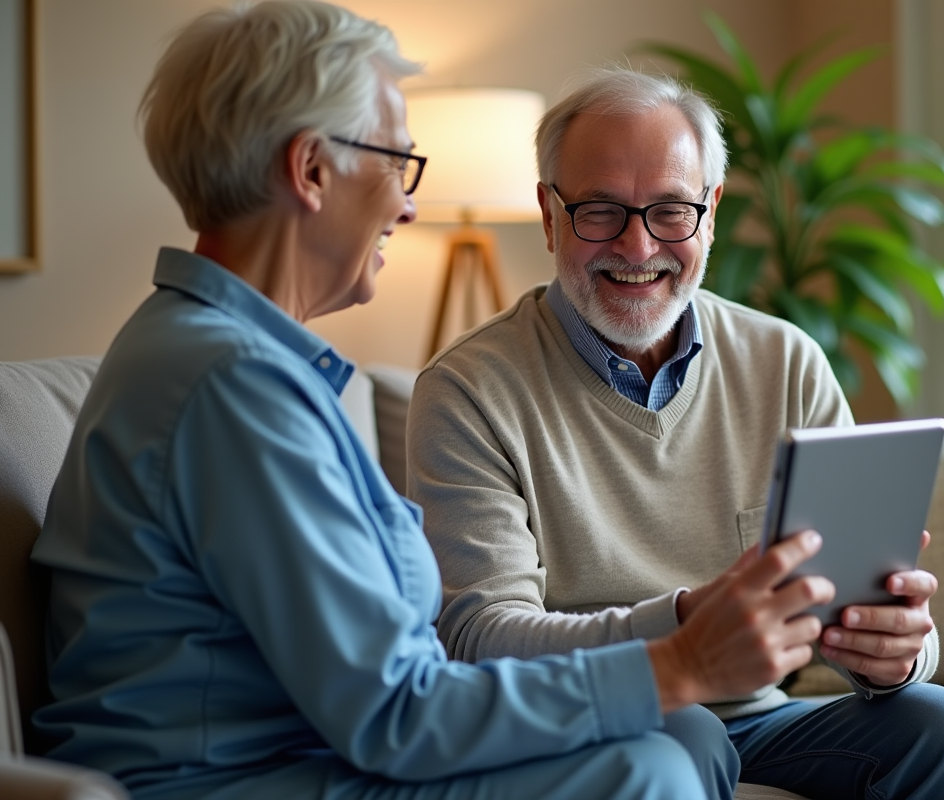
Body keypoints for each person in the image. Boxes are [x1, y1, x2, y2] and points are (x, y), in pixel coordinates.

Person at [29, 6, 853, 799]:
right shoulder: (232, 388)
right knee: (654, 766)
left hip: (295, 753)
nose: (409, 202)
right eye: (397, 161)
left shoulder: (223, 358)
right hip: (241, 778)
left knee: (667, 750)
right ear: (311, 169)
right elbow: (395, 710)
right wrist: (681, 665)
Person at [405, 67, 944, 799]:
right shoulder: (466, 390)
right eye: (600, 211)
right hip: (594, 723)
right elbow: (478, 640)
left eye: (670, 210)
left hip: (760, 719)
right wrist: (686, 632)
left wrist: (897, 650)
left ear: (711, 210)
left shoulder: (786, 361)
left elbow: (860, 594)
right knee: (681, 731)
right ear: (549, 214)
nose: (637, 248)